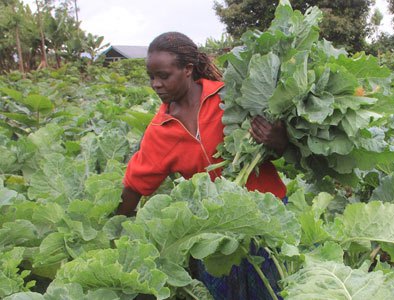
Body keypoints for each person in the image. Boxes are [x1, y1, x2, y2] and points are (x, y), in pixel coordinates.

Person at [115, 31, 288, 300]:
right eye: (151, 77)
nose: (156, 84)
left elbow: (280, 148)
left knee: (273, 292)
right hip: (211, 234)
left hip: (264, 217)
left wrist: (278, 140)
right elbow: (135, 186)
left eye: (163, 75)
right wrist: (113, 229)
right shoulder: (160, 130)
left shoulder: (231, 97)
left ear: (187, 69)